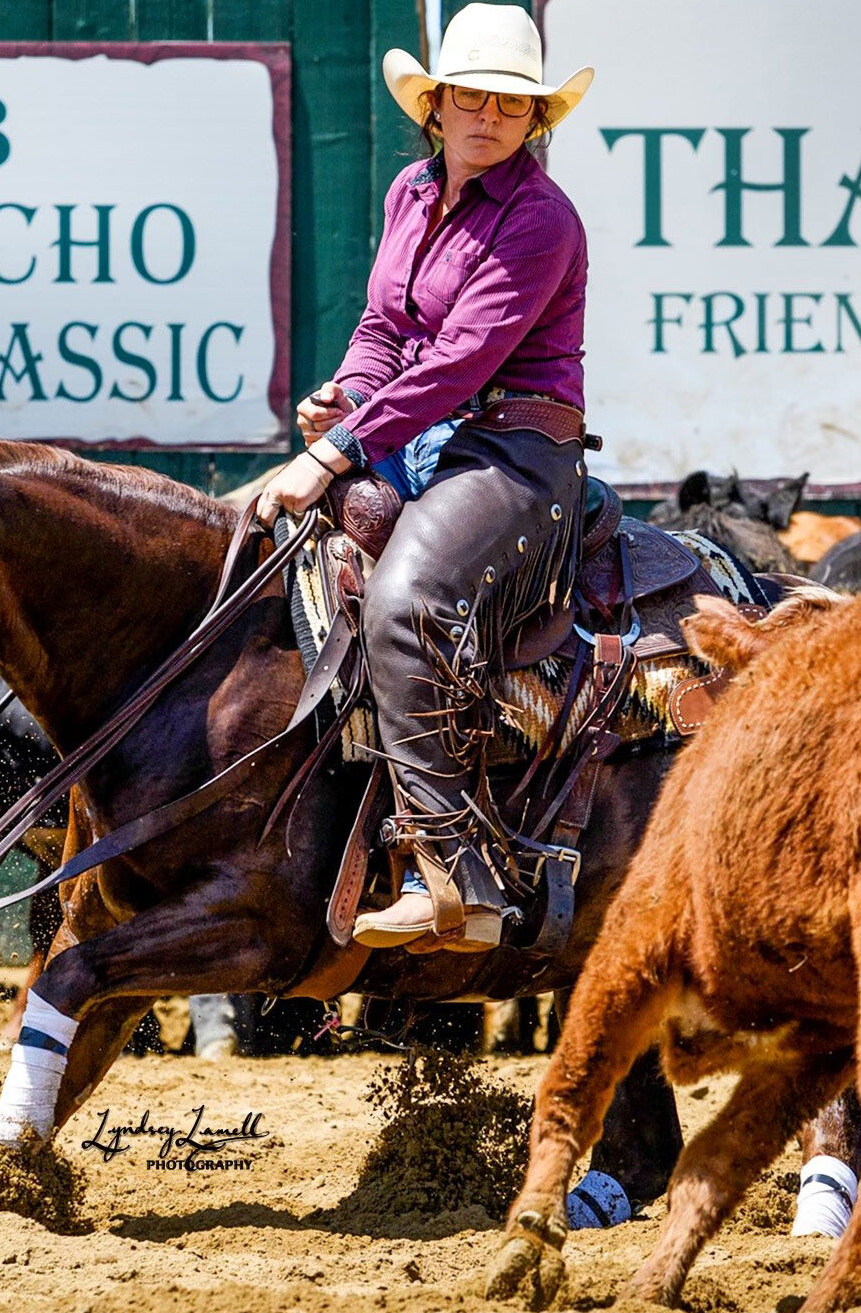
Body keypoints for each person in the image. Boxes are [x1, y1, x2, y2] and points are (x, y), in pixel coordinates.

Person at [255, 4, 595, 955]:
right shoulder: (411, 192)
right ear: (435, 107)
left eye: (511, 105)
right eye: (470, 98)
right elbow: (385, 333)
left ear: (535, 123)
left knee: (405, 599)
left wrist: (334, 448)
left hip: (516, 457)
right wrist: (348, 398)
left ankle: (461, 877)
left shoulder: (542, 220)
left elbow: (458, 363)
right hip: (424, 439)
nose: (487, 116)